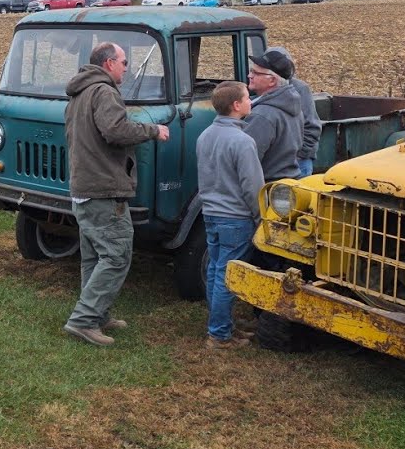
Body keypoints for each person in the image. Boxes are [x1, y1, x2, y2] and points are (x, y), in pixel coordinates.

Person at [62, 41, 170, 347]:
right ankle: (83, 321)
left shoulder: (80, 93)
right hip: (103, 189)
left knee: (94, 257)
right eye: (124, 62)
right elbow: (116, 131)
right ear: (109, 63)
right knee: (117, 255)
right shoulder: (104, 92)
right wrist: (153, 131)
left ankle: (98, 314)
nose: (127, 67)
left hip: (84, 186)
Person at [196, 81, 262, 350]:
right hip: (235, 218)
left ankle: (221, 326)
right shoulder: (243, 142)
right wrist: (260, 217)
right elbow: (253, 186)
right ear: (236, 106)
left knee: (214, 270)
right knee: (227, 275)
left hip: (210, 213)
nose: (250, 101)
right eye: (247, 98)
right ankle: (219, 335)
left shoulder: (204, 136)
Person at [243, 49, 303, 182]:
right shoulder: (292, 103)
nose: (249, 75)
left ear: (272, 81)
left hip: (266, 189)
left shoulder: (262, 116)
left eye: (255, 73)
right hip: (287, 185)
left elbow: (246, 162)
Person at [268, 46, 322, 177]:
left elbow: (312, 125)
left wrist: (299, 155)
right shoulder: (264, 88)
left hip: (299, 161)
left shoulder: (299, 88)